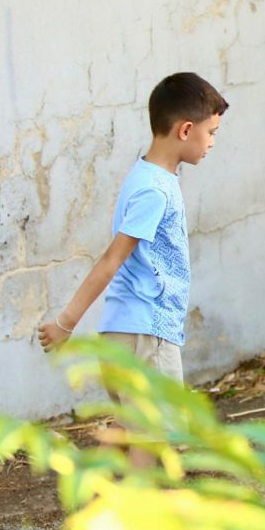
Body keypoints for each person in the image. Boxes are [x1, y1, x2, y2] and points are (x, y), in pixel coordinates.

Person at [37, 72, 228, 392]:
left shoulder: (145, 177)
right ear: (185, 129)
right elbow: (113, 258)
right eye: (211, 132)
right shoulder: (154, 190)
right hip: (146, 336)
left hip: (125, 335)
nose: (211, 142)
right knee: (157, 439)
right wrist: (65, 322)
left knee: (130, 436)